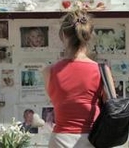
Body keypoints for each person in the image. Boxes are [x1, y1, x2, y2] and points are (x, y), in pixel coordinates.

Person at [42, 9, 116, 147]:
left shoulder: (49, 72)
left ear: (63, 35)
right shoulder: (102, 71)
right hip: (93, 139)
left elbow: (60, 101)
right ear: (88, 35)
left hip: (60, 140)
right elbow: (112, 109)